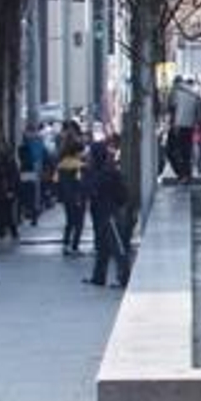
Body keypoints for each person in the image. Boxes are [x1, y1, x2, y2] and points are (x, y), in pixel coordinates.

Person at [83, 142, 131, 289]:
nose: (88, 157)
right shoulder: (98, 171)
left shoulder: (107, 173)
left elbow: (120, 194)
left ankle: (124, 278)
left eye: (90, 154)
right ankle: (98, 276)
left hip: (110, 213)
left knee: (117, 246)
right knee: (102, 246)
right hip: (101, 214)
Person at [55, 121, 87, 255]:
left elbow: (57, 182)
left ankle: (65, 244)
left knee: (69, 221)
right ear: (77, 152)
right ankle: (74, 246)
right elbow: (80, 183)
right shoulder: (79, 166)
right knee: (79, 222)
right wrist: (80, 197)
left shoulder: (61, 164)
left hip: (66, 197)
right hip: (77, 197)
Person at [166, 75, 201, 180]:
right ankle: (187, 174)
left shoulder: (175, 91)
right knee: (186, 151)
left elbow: (172, 108)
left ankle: (180, 173)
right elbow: (197, 112)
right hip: (190, 126)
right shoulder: (194, 94)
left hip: (177, 126)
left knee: (171, 150)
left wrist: (173, 124)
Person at [18, 126, 49, 228]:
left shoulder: (28, 145)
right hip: (32, 171)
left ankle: (30, 215)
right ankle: (32, 215)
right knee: (31, 195)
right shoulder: (37, 144)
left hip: (30, 172)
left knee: (28, 195)